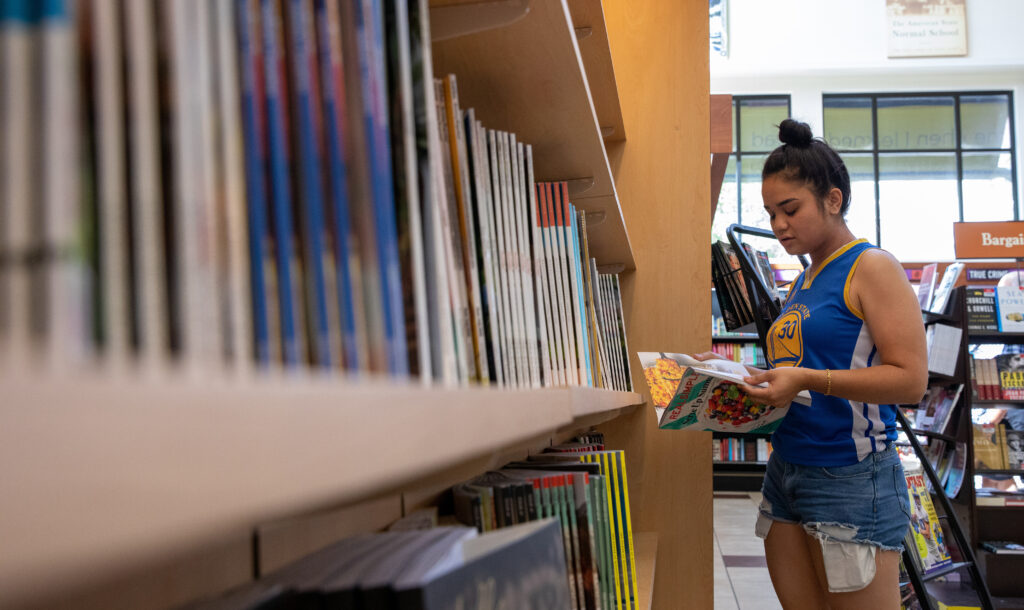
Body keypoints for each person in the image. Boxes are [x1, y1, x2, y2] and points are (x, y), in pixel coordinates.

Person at [696, 118, 928, 609]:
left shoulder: (872, 267)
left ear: (833, 199)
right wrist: (732, 375)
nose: (779, 224)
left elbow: (910, 381)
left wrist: (805, 378)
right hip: (787, 471)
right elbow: (801, 371)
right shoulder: (806, 279)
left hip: (850, 476)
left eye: (790, 209)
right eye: (770, 212)